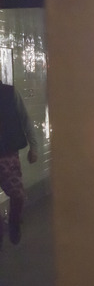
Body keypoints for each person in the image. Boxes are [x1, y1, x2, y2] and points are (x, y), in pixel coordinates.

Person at [0, 82, 38, 248]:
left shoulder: (9, 93)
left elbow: (25, 118)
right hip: (8, 153)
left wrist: (34, 146)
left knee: (18, 195)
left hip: (7, 153)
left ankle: (14, 222)